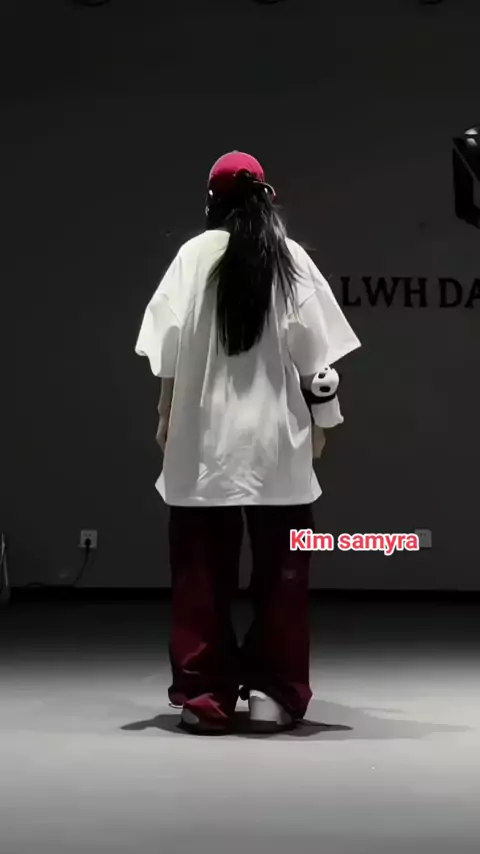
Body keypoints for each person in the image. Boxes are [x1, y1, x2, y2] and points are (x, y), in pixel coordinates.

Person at [135, 151, 361, 734]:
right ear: (266, 197)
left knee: (200, 576)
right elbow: (318, 364)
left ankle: (205, 696)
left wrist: (164, 416)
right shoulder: (290, 258)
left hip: (202, 441)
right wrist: (325, 423)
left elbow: (166, 354)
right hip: (275, 443)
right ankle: (272, 694)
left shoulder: (192, 257)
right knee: (282, 576)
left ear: (212, 201)